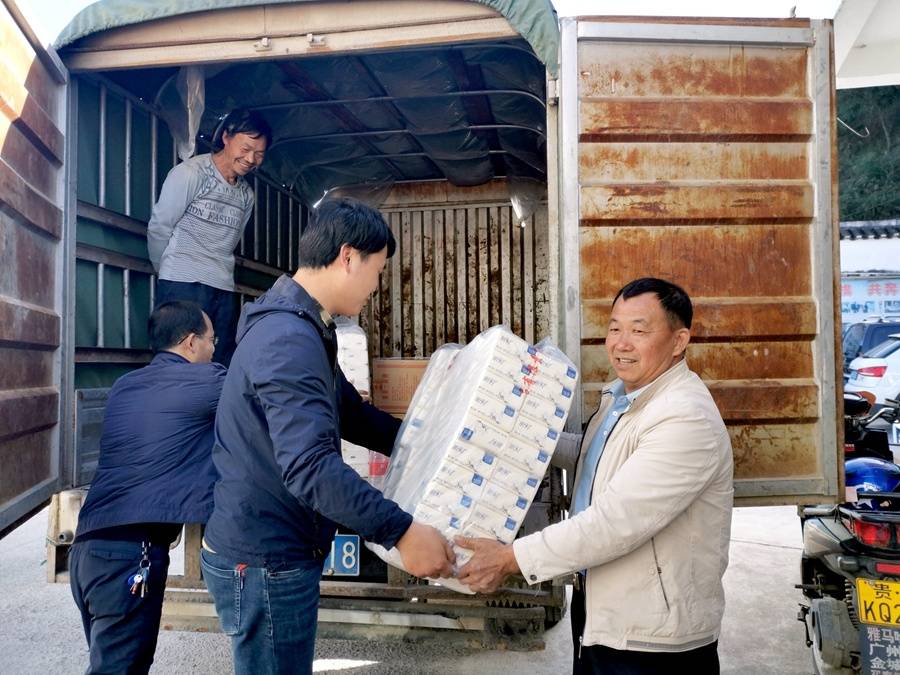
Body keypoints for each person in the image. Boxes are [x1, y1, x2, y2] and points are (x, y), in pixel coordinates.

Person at [201, 197, 455, 674]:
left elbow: (350, 413)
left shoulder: (307, 327)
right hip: (265, 559)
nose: (377, 286)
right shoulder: (287, 339)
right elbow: (311, 468)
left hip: (277, 547)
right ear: (347, 257)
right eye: (377, 270)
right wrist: (401, 531)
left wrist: (425, 443)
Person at [456, 278, 734, 674]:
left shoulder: (684, 416)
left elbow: (616, 522)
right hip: (605, 611)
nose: (621, 343)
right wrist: (511, 436)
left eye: (639, 331)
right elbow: (594, 457)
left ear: (678, 341)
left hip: (653, 639)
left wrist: (510, 558)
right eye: (615, 328)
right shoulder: (624, 397)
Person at [69, 301, 226, 674]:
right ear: (190, 343)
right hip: (129, 557)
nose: (214, 348)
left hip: (87, 553)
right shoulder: (209, 380)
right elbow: (265, 402)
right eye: (212, 340)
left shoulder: (124, 386)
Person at [147, 108, 271, 365]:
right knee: (177, 357)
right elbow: (160, 227)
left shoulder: (247, 195)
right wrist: (167, 270)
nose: (250, 159)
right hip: (181, 282)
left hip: (222, 286)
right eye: (246, 148)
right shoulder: (191, 174)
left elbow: (231, 240)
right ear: (226, 137)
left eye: (259, 154)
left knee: (221, 357)